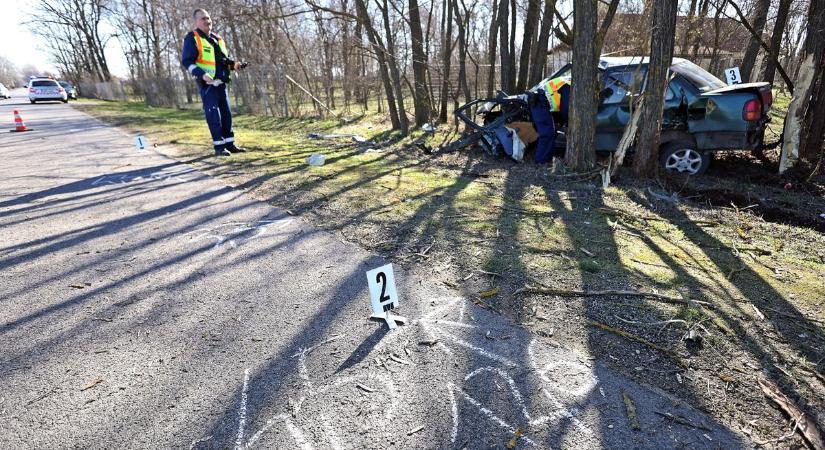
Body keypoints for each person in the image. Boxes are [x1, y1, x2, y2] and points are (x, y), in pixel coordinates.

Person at [181, 8, 246, 157]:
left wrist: (235, 65)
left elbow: (223, 61)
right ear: (196, 21)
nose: (207, 21)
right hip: (207, 85)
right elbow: (187, 61)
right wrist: (202, 75)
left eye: (208, 18)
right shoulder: (192, 38)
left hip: (221, 83)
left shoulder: (218, 39)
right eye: (203, 18)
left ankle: (230, 144)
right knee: (213, 115)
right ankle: (219, 147)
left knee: (226, 114)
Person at [531, 75, 571, 164]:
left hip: (543, 103)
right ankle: (541, 161)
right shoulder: (569, 86)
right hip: (540, 102)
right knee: (547, 133)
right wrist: (567, 124)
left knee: (550, 132)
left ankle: (547, 157)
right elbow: (565, 109)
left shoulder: (566, 81)